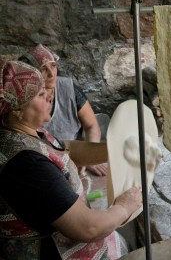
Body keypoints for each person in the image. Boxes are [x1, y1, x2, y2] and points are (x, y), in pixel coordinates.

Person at [0, 60, 142, 260]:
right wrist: (125, 206)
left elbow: (69, 149)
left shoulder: (26, 132)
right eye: (41, 95)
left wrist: (121, 150)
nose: (50, 95)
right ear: (17, 110)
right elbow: (88, 228)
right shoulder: (25, 164)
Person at [20, 44, 108, 176]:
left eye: (53, 66)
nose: (51, 73)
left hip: (75, 154)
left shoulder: (69, 89)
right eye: (44, 68)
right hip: (46, 162)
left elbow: (91, 125)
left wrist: (89, 157)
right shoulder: (24, 100)